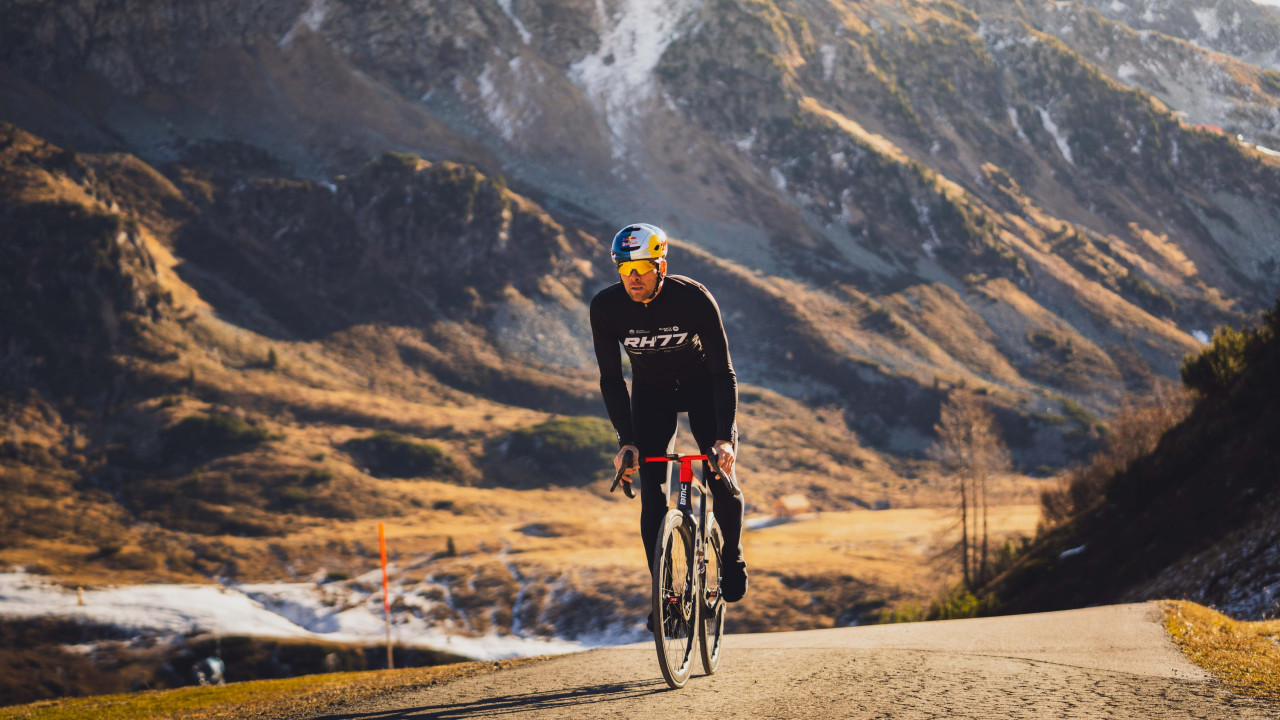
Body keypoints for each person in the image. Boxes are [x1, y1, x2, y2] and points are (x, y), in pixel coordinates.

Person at [589, 223, 748, 614]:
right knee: (652, 493)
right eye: (624, 270)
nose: (634, 278)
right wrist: (626, 441)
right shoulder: (607, 308)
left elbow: (722, 373)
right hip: (652, 395)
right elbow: (611, 379)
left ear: (661, 265)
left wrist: (724, 439)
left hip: (701, 388)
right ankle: (666, 597)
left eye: (642, 268)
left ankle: (732, 555)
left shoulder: (692, 300)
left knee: (718, 475)